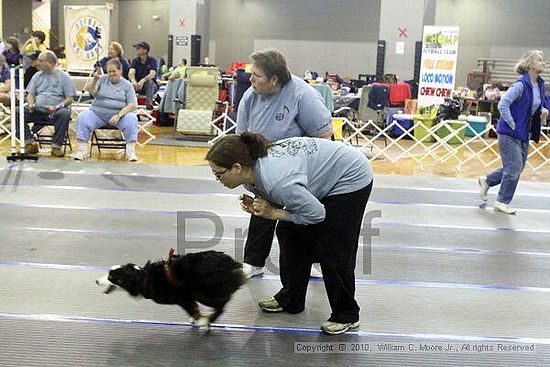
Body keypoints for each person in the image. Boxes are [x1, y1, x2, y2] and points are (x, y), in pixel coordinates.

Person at [206, 132, 373, 335]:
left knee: (333, 246)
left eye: (218, 174)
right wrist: (262, 207)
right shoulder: (250, 172)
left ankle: (346, 313)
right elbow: (278, 196)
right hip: (322, 173)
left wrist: (274, 212)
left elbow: (317, 215)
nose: (217, 179)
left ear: (237, 168)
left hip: (350, 176)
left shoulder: (278, 180)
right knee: (289, 231)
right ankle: (291, 298)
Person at [236, 48, 333, 278]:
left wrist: (311, 173)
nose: (251, 80)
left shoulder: (302, 95)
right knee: (261, 205)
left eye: (257, 76)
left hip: (304, 161)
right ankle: (254, 261)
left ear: (274, 79)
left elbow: (325, 136)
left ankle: (313, 260)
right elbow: (241, 136)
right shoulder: (250, 95)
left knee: (306, 209)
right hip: (264, 159)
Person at [479, 50, 548, 214]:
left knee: (516, 167)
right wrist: (512, 124)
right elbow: (503, 104)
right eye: (540, 60)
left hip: (524, 132)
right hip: (509, 132)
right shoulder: (520, 85)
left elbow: (537, 106)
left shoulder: (539, 84)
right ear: (530, 64)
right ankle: (502, 202)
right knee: (514, 167)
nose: (543, 63)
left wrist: (543, 110)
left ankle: (488, 180)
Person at [74, 59, 138, 161]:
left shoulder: (127, 85)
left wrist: (119, 115)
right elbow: (92, 92)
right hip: (97, 113)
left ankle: (130, 152)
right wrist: (95, 80)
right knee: (83, 117)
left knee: (132, 118)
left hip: (119, 116)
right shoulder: (102, 79)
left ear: (120, 71)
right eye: (109, 72)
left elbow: (133, 105)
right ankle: (82, 151)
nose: (111, 74)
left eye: (114, 71)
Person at [17, 50, 76, 157]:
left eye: (40, 61)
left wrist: (57, 107)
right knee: (17, 112)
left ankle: (56, 146)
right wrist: (30, 104)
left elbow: (69, 99)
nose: (37, 63)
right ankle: (30, 142)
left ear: (50, 62)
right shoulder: (37, 76)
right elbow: (30, 94)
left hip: (56, 111)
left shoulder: (64, 77)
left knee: (64, 114)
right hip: (38, 109)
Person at [128, 41, 158, 109]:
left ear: (145, 50)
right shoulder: (135, 61)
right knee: (128, 83)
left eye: (138, 48)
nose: (136, 50)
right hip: (137, 86)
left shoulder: (152, 60)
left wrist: (143, 80)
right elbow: (131, 73)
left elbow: (152, 74)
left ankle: (149, 103)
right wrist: (133, 81)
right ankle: (130, 104)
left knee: (149, 82)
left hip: (150, 87)